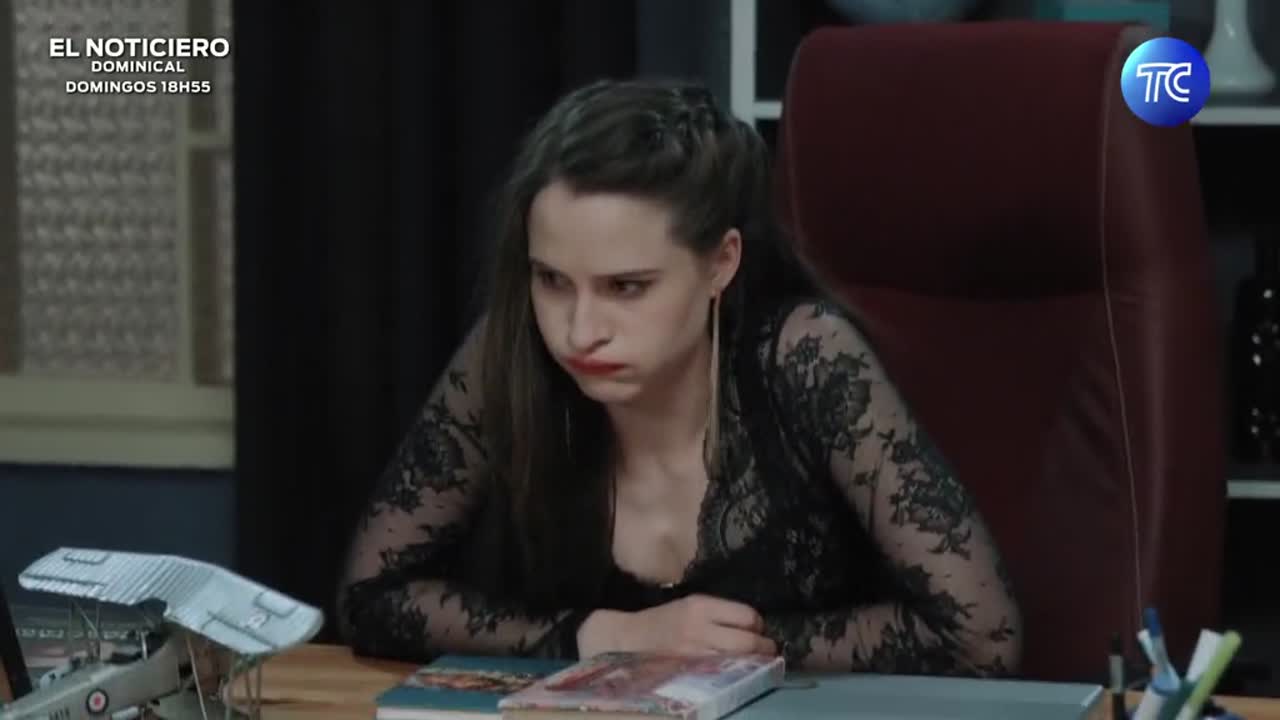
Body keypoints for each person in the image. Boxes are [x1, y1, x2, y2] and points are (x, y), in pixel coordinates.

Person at [335, 77, 1023, 676]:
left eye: (626, 287)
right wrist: (605, 637)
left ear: (721, 263)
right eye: (551, 280)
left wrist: (728, 646)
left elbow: (979, 636)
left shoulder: (806, 357)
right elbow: (371, 596)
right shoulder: (508, 350)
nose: (579, 330)